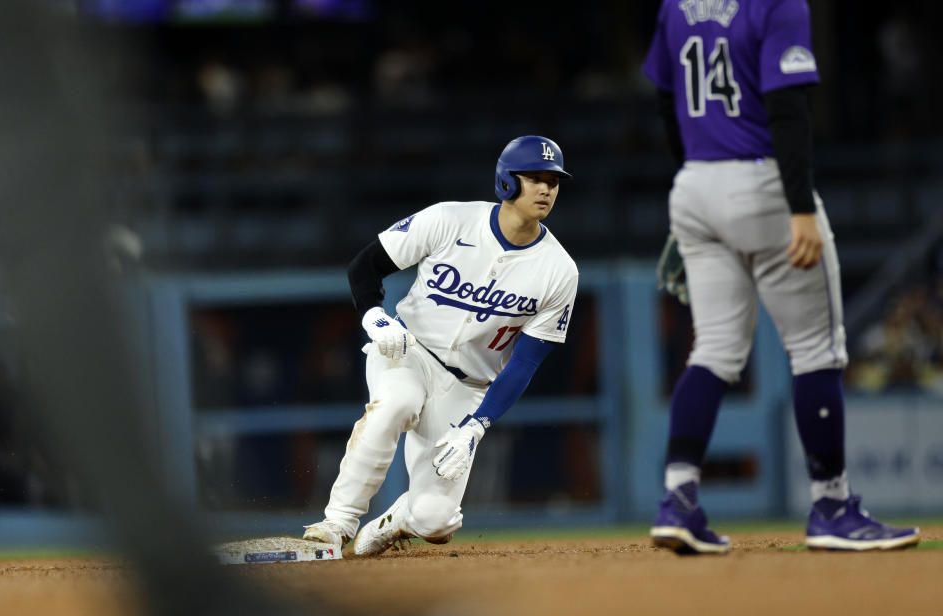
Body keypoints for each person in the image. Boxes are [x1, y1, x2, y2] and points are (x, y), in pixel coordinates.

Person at [642, 0, 920, 553]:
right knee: (816, 349)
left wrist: (698, 181)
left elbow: (666, 98)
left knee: (715, 349)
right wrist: (800, 209)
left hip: (695, 183)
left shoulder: (676, 4)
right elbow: (788, 107)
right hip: (763, 182)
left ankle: (678, 498)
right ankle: (833, 504)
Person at [302, 135, 579, 556]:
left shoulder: (559, 270)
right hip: (407, 351)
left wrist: (476, 425)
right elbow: (365, 266)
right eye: (534, 178)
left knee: (436, 521)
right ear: (506, 181)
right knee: (394, 405)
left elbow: (524, 363)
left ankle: (395, 520)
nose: (545, 189)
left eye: (553, 181)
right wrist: (373, 315)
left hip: (469, 387)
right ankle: (336, 523)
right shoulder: (450, 220)